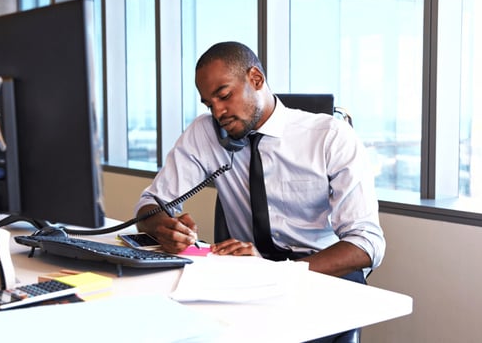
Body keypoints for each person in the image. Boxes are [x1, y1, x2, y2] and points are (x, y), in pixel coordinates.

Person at [134, 41, 384, 282]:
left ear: (256, 79)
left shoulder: (330, 136)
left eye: (224, 95)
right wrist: (164, 228)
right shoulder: (205, 133)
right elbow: (150, 204)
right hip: (248, 272)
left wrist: (279, 273)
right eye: (209, 104)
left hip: (319, 272)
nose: (217, 112)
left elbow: (366, 243)